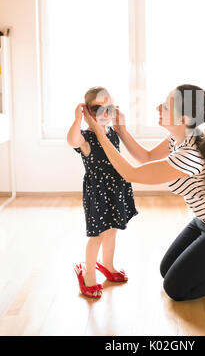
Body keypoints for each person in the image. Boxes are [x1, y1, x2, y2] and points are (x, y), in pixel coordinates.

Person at [83, 83, 205, 301]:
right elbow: (148, 157)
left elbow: (130, 173)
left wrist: (99, 133)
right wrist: (121, 130)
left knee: (176, 288)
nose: (158, 108)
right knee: (166, 269)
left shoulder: (190, 155)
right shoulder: (182, 136)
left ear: (183, 120)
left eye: (167, 107)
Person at [67, 86, 138, 298]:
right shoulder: (86, 136)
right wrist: (77, 119)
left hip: (116, 188)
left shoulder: (113, 133)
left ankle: (108, 264)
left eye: (111, 108)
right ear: (87, 111)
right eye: (99, 109)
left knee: (113, 230)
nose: (106, 114)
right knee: (97, 234)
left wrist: (122, 123)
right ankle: (88, 275)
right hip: (98, 193)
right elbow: (72, 140)